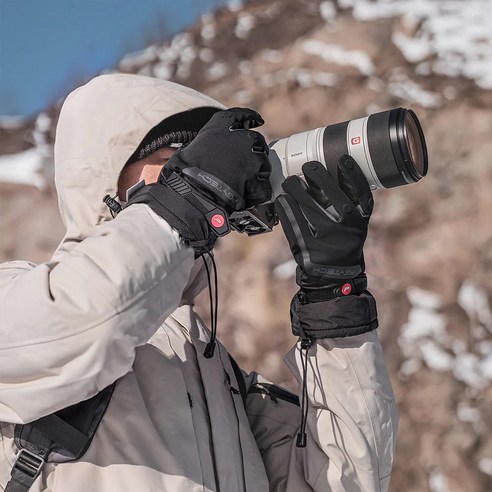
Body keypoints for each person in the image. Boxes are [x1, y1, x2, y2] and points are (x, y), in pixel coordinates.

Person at [0, 73, 398, 492]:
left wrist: (333, 296)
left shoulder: (216, 376)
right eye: (179, 157)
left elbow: (346, 482)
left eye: (201, 158)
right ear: (108, 169)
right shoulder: (19, 297)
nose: (202, 170)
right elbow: (88, 323)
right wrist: (184, 199)